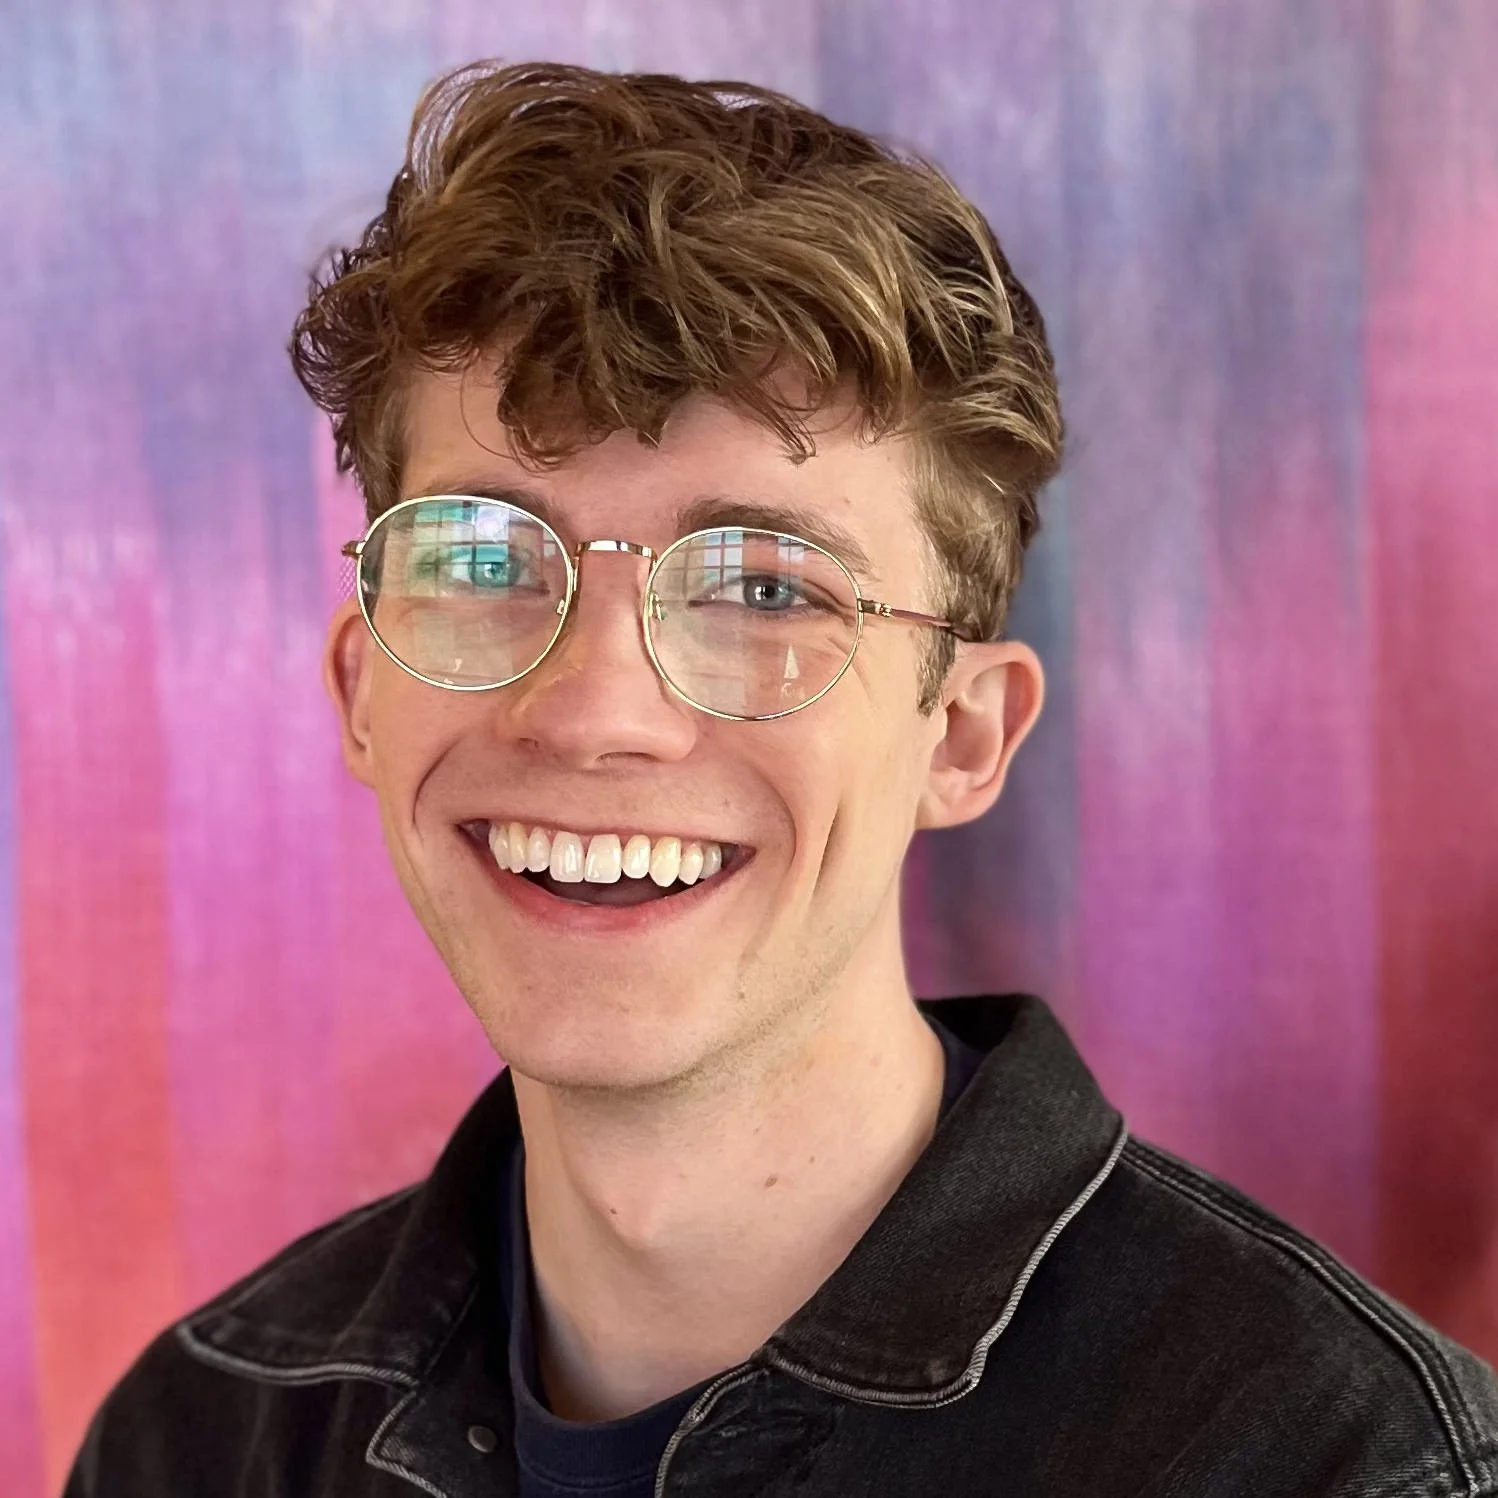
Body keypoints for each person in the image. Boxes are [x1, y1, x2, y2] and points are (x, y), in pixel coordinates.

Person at [67, 60, 1498, 1498]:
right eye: (486, 562)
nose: (596, 714)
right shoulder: (199, 1442)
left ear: (962, 737)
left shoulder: (1348, 1466)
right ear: (361, 688)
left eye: (762, 588)